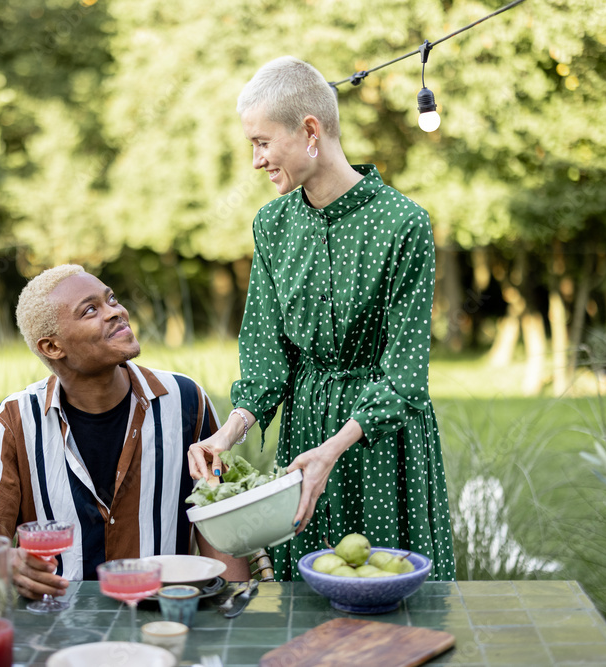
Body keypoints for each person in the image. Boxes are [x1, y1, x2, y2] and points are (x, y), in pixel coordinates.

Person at [188, 56, 456, 582]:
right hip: (304, 434)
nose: (256, 161)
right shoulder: (272, 224)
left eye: (262, 143)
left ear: (310, 130)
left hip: (381, 441)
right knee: (308, 609)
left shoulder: (404, 223)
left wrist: (334, 448)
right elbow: (267, 362)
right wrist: (228, 434)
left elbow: (404, 378)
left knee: (382, 589)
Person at [0, 264, 250, 600]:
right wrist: (5, 562)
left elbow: (220, 531)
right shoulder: (14, 421)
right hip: (59, 628)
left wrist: (236, 608)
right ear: (52, 347)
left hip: (164, 619)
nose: (116, 312)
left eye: (111, 299)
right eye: (91, 310)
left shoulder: (187, 400)